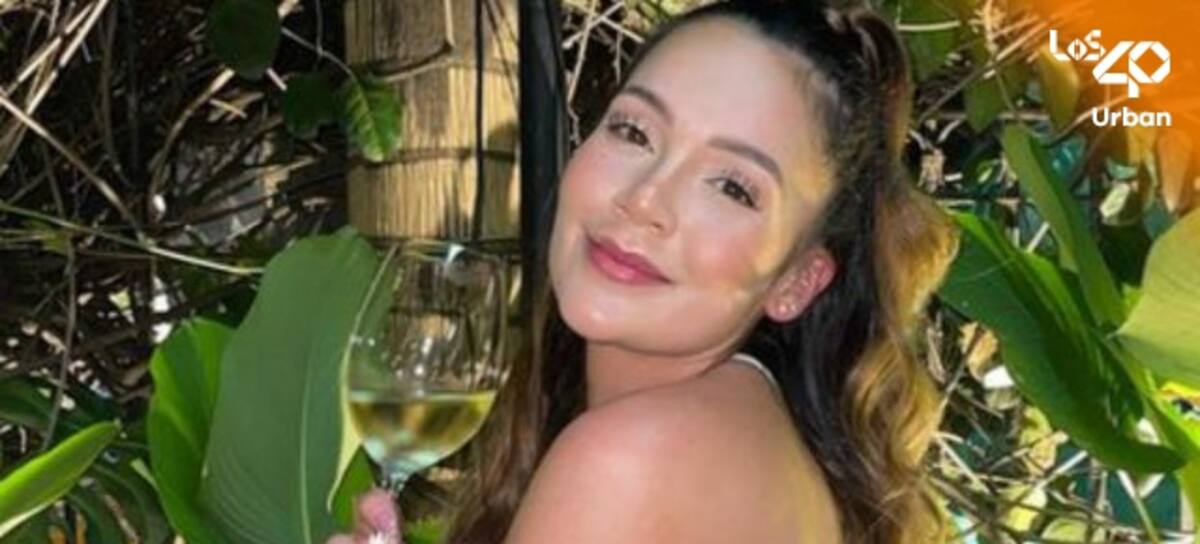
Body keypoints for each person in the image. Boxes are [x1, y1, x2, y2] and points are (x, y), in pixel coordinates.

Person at [331, 0, 959, 542]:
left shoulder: (633, 457)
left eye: (733, 187)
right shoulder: (755, 437)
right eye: (634, 131)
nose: (644, 199)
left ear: (797, 280)